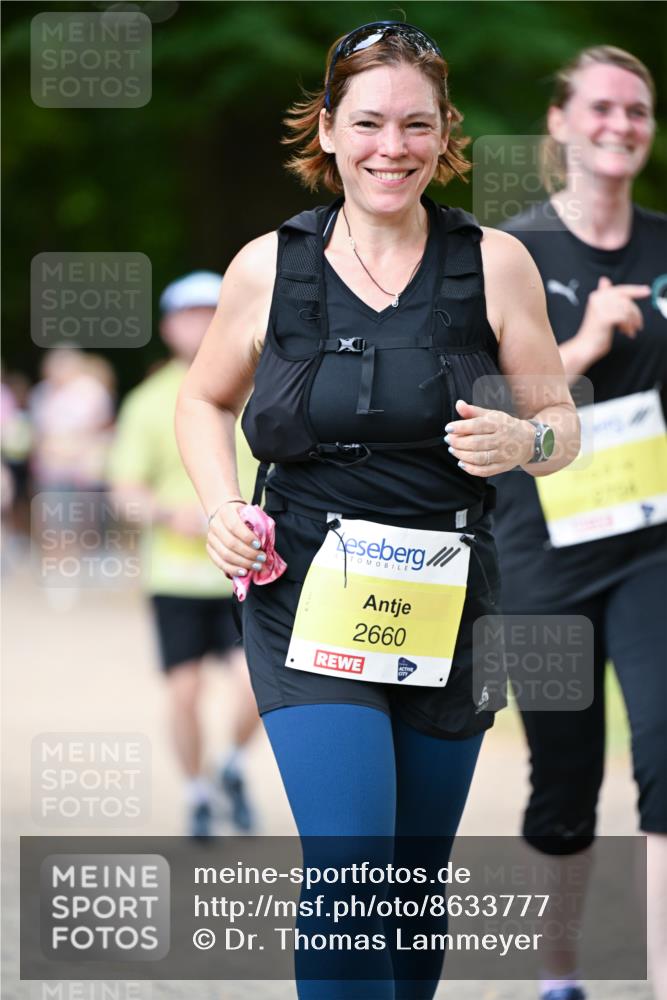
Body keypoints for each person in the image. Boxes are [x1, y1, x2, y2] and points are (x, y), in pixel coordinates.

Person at [175, 22, 579, 997]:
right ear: (326, 127)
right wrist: (223, 504)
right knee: (352, 864)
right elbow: (203, 397)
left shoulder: (496, 264)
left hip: (451, 598)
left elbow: (563, 424)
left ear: (446, 133)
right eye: (365, 122)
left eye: (413, 124)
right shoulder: (268, 266)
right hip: (303, 588)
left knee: (408, 885)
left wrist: (521, 443)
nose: (389, 147)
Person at [493, 47, 667, 1000]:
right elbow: (478, 402)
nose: (620, 123)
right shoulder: (510, 255)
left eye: (637, 110)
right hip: (542, 553)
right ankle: (557, 978)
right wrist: (590, 341)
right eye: (599, 107)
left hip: (653, 546)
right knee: (563, 781)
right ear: (558, 124)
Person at [108, 271, 260, 839]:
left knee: (257, 687)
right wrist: (168, 514)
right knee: (186, 691)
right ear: (168, 326)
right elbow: (125, 490)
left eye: (210, 312)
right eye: (188, 314)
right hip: (176, 574)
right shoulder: (148, 402)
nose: (199, 324)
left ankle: (231, 767)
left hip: (250, 569)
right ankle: (197, 793)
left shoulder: (265, 384)